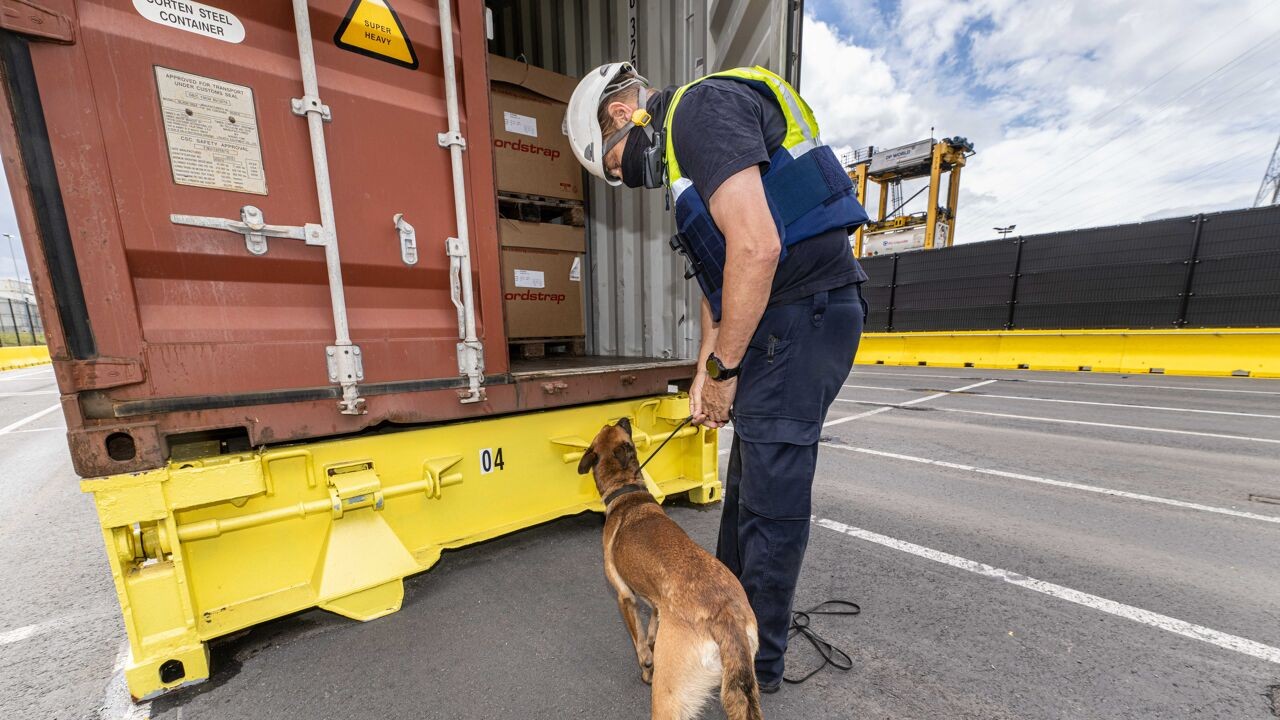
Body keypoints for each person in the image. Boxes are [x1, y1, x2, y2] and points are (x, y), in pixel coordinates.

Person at [564, 62, 869, 692]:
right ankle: (720, 622)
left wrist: (727, 369)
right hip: (773, 316)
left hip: (802, 309)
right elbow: (720, 265)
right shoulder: (684, 149)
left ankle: (755, 668)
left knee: (771, 502)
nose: (628, 179)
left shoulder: (700, 112)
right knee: (744, 493)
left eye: (616, 167)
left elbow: (757, 248)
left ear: (621, 118)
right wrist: (708, 369)